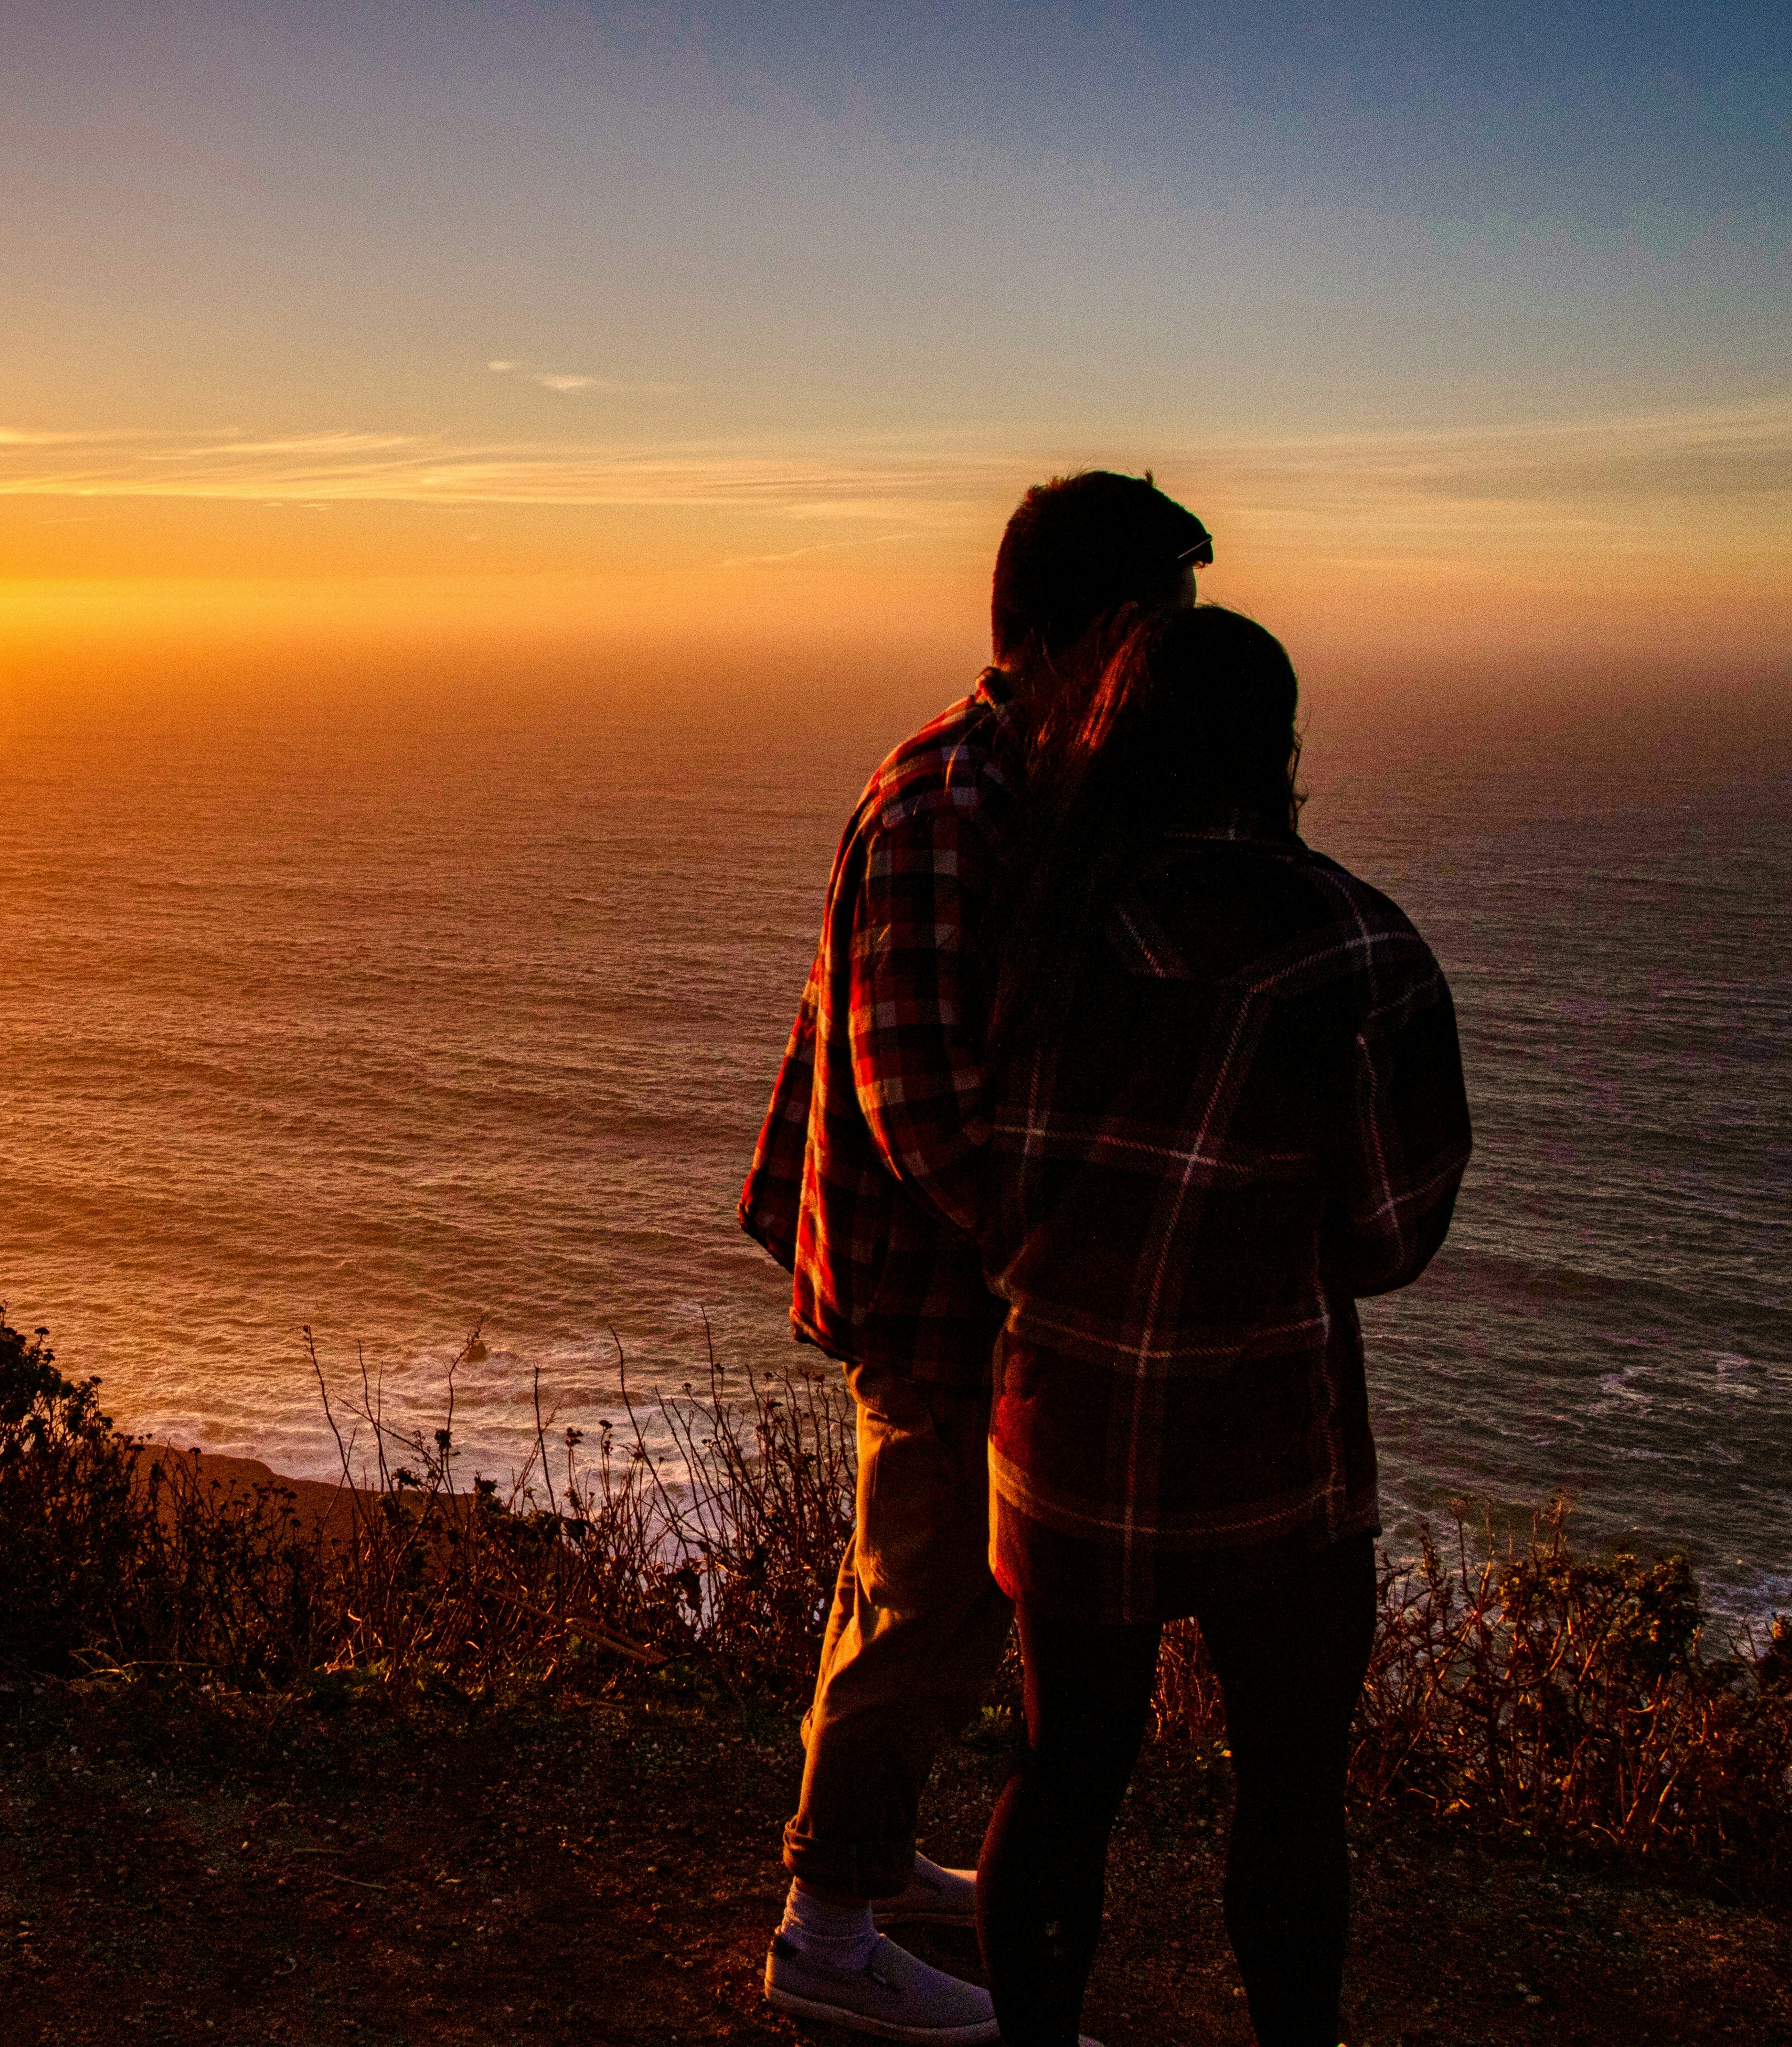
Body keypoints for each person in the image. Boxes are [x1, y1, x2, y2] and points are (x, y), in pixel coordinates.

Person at [742, 471, 1212, 2040]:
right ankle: (826, 1933)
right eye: (1165, 630)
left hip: (962, 1280)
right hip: (944, 1287)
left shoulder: (1021, 786)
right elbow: (921, 1103)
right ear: (1097, 635)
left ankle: (858, 1871)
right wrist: (1066, 1267)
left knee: (914, 1591)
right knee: (927, 1601)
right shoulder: (954, 803)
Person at [969, 606, 1472, 2047]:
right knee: (1293, 1791)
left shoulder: (1041, 927)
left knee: (1065, 1779)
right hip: (1279, 1443)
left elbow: (982, 1173)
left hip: (1069, 1429)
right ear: (1282, 747)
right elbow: (1390, 1237)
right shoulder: (1361, 948)